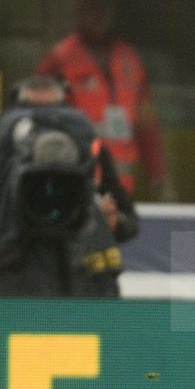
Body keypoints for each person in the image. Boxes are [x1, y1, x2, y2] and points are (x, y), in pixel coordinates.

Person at [0, 75, 136, 297]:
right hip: (22, 273)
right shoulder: (6, 144)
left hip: (79, 272)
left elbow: (128, 220)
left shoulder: (86, 140)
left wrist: (112, 222)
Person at [37, 0, 170, 199]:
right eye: (92, 8)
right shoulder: (59, 59)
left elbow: (146, 122)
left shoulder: (130, 59)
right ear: (78, 12)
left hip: (121, 188)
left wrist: (157, 173)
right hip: (74, 182)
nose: (99, 15)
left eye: (104, 8)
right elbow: (40, 119)